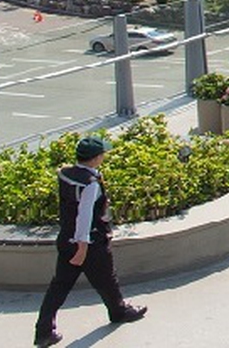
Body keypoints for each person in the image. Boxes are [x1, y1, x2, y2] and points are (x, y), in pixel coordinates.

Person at [34, 135, 146, 346]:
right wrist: (82, 247)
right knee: (107, 279)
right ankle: (119, 311)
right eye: (102, 153)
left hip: (66, 239)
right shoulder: (90, 184)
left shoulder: (66, 173)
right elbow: (84, 216)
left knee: (59, 286)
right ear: (95, 158)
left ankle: (43, 331)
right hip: (90, 243)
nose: (104, 156)